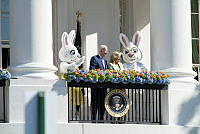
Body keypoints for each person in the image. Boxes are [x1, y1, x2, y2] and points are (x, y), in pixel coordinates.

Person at [89, 45, 108, 122]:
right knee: (95, 103)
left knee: (102, 103)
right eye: (105, 50)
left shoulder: (105, 61)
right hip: (96, 85)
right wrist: (101, 74)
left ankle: (101, 120)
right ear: (101, 50)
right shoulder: (94, 58)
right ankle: (93, 120)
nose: (107, 52)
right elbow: (92, 69)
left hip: (103, 86)